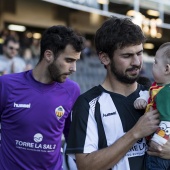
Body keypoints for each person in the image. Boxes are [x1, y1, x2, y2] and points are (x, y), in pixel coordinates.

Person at [66, 16, 162, 170]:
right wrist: (135, 133)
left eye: (139, 53)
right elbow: (85, 166)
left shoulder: (155, 96)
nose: (137, 62)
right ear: (105, 58)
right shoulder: (87, 104)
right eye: (127, 56)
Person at [0, 25, 84, 170]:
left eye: (76, 61)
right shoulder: (6, 85)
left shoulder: (72, 90)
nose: (73, 68)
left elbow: (74, 139)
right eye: (69, 60)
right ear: (48, 55)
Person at [134, 42, 170, 170]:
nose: (152, 65)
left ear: (166, 69)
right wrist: (142, 99)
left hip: (159, 152)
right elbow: (150, 94)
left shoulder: (166, 93)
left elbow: (167, 122)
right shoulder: (158, 88)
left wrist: (158, 142)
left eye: (155, 62)